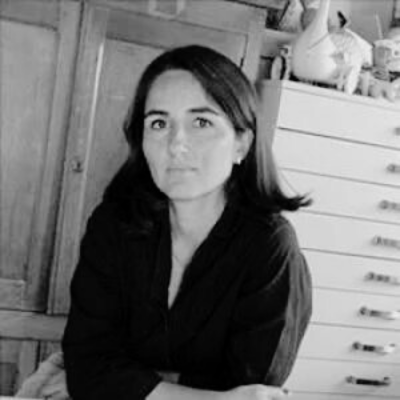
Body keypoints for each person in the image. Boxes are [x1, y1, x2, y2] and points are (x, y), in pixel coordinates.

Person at [62, 45, 312, 400]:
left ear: (242, 143)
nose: (176, 145)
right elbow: (88, 367)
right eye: (159, 123)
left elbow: (252, 389)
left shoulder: (269, 246)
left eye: (201, 122)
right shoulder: (114, 223)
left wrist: (135, 383)